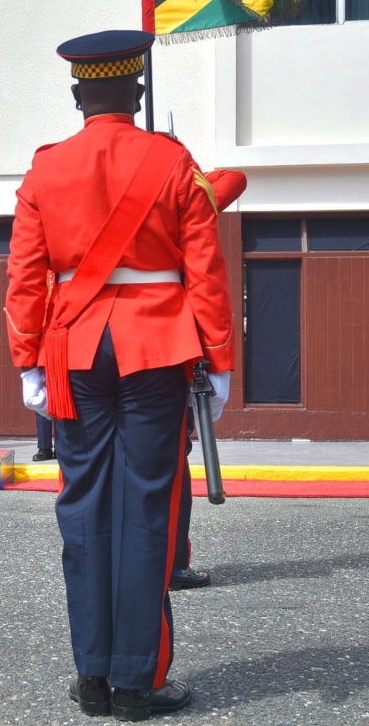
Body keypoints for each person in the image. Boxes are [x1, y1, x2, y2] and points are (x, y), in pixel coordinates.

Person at [5, 30, 235, 721]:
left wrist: (25, 359)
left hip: (73, 349)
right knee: (147, 508)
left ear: (78, 97)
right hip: (157, 344)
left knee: (82, 507)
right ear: (135, 93)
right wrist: (219, 360)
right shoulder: (171, 160)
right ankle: (139, 680)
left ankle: (94, 675)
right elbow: (206, 267)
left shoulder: (45, 168)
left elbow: (24, 274)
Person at [170, 166, 246, 592]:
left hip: (93, 349)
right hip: (170, 349)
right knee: (169, 467)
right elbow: (233, 177)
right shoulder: (188, 197)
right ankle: (172, 563)